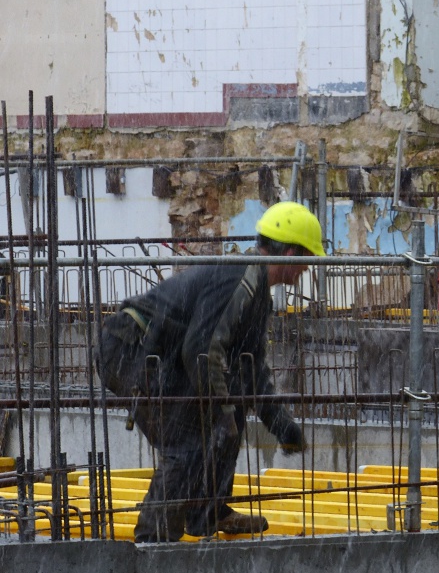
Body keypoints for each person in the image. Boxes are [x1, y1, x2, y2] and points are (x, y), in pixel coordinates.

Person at [97, 201, 326, 542]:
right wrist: (222, 408)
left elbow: (250, 370)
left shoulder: (256, 291)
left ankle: (208, 512)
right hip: (130, 348)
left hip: (157, 352)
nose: (306, 269)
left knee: (227, 412)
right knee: (186, 438)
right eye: (307, 259)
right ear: (292, 252)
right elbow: (200, 350)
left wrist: (281, 425)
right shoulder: (240, 278)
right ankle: (153, 542)